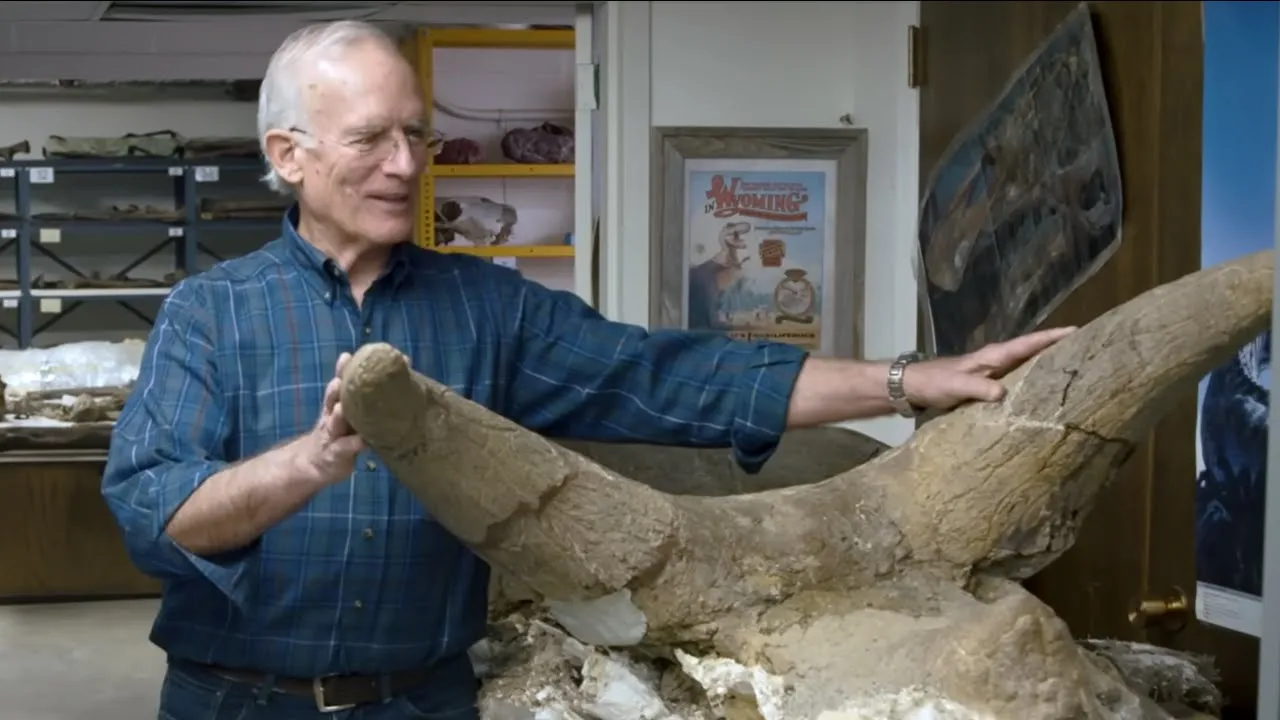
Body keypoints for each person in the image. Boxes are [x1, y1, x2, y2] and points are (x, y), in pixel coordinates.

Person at [101, 19, 1073, 720]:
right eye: (370, 139)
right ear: (289, 154)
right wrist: (309, 462)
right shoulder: (207, 315)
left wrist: (908, 381)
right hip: (234, 701)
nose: (405, 165)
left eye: (416, 134)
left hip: (423, 702)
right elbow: (155, 514)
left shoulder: (487, 308)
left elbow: (676, 377)